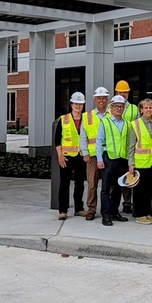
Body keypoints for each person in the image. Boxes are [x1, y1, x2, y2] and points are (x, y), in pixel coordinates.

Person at [95, 95, 131, 226]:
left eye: (121, 106)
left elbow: (128, 143)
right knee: (105, 189)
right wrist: (99, 159)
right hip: (109, 159)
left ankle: (114, 212)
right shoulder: (105, 122)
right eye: (116, 106)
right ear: (111, 108)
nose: (119, 108)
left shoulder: (127, 123)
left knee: (118, 188)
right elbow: (99, 141)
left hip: (122, 160)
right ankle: (106, 215)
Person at [78, 86, 110, 220]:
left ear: (107, 99)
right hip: (92, 156)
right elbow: (83, 136)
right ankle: (91, 209)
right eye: (99, 98)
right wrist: (85, 152)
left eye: (103, 98)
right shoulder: (87, 116)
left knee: (109, 184)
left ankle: (108, 209)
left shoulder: (112, 114)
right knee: (92, 184)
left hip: (108, 154)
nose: (101, 100)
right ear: (95, 100)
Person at [54, 92, 88, 220]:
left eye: (80, 104)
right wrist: (60, 156)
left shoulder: (86, 119)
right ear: (71, 104)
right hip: (67, 156)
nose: (78, 106)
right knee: (64, 184)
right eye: (76, 104)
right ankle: (63, 210)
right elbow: (57, 140)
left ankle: (79, 208)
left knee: (80, 183)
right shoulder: (63, 119)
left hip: (81, 156)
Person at [127, 99, 152, 224]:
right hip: (140, 163)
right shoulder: (135, 124)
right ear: (141, 110)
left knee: (150, 190)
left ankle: (147, 213)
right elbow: (131, 146)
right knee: (139, 191)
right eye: (145, 108)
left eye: (150, 108)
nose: (148, 110)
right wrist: (131, 163)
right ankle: (139, 214)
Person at [115, 80, 139, 213]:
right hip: (116, 149)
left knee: (129, 177)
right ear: (116, 92)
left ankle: (127, 202)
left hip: (131, 148)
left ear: (128, 93)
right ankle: (115, 203)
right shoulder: (110, 108)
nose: (123, 94)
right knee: (115, 179)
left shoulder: (134, 109)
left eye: (125, 92)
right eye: (120, 92)